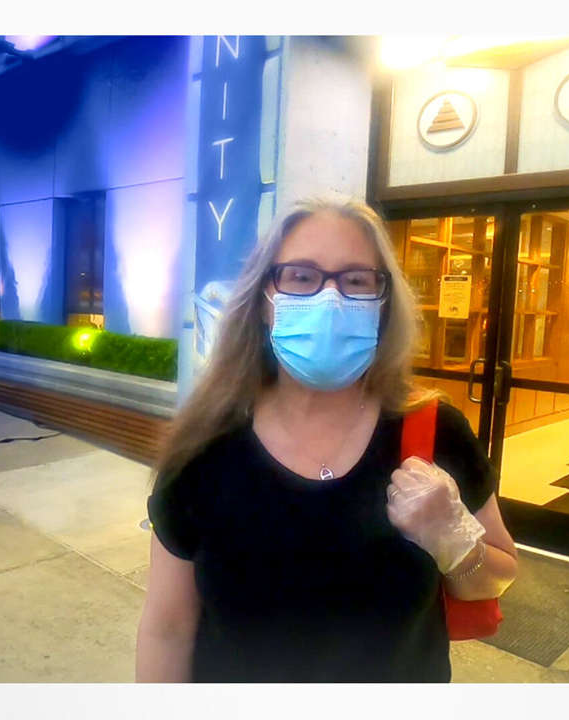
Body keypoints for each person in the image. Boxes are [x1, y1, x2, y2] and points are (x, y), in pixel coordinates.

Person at [135, 196, 518, 682]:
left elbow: (499, 577)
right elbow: (167, 630)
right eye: (301, 276)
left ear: (383, 304)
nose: (330, 299)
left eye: (356, 280)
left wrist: (454, 539)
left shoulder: (434, 430)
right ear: (264, 300)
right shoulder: (204, 446)